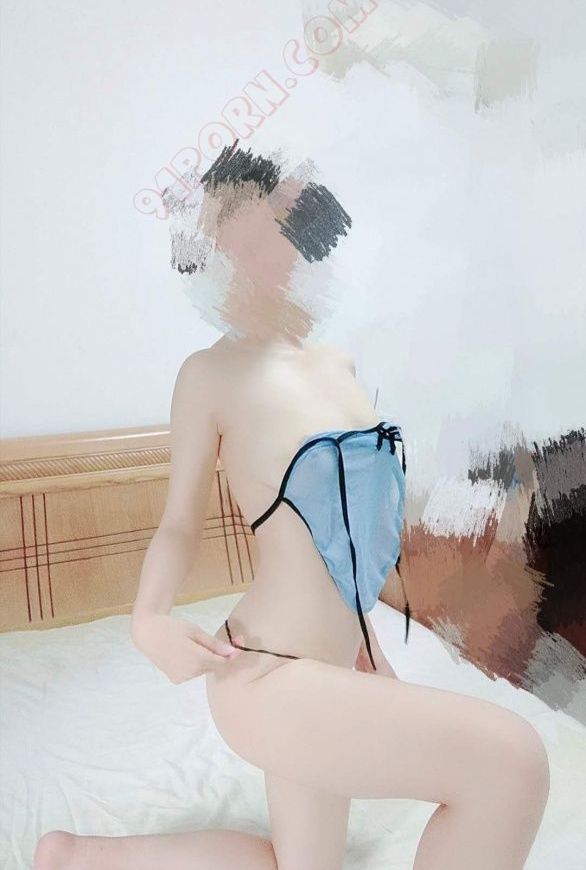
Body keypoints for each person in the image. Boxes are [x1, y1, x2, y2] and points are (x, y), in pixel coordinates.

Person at [34, 143, 550, 870]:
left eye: (268, 234)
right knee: (511, 760)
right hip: (267, 672)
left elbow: (349, 537)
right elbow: (178, 525)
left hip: (333, 670)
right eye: (230, 242)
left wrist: (370, 649)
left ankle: (72, 857)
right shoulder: (210, 375)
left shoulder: (338, 364)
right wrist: (147, 618)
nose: (253, 258)